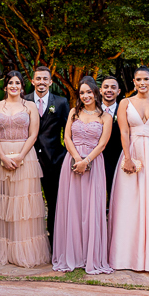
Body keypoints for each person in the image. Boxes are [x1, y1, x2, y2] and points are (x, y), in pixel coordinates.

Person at [108, 66, 149, 272]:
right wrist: (128, 158)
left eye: (146, 79)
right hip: (133, 154)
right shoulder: (125, 103)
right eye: (138, 79)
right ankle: (126, 257)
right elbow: (123, 132)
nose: (142, 82)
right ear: (134, 82)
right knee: (129, 203)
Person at [0, 70, 50, 267]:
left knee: (22, 203)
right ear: (5, 86)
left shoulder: (29, 106)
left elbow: (33, 134)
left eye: (17, 83)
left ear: (22, 86)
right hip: (0, 155)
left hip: (25, 156)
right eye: (10, 82)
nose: (14, 86)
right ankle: (2, 250)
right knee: (2, 203)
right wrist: (3, 156)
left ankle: (22, 251)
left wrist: (20, 156)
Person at [53, 76, 114, 274]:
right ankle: (71, 254)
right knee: (72, 207)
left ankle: (90, 256)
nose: (85, 96)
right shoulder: (74, 112)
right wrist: (77, 159)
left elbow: (103, 144)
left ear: (96, 93)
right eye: (82, 93)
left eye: (89, 92)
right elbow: (67, 138)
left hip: (94, 164)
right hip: (71, 162)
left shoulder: (105, 117)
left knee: (91, 208)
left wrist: (86, 161)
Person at [24, 65, 70, 244]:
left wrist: (64, 155)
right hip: (28, 160)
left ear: (50, 82)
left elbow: (68, 131)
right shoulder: (24, 100)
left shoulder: (61, 102)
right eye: (38, 78)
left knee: (54, 203)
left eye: (45, 79)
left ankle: (54, 242)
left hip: (53, 161)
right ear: (32, 81)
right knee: (28, 202)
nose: (41, 82)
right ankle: (30, 242)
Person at [99, 76, 123, 206]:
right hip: (95, 159)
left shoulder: (125, 111)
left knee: (116, 201)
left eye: (113, 87)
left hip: (117, 160)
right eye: (106, 87)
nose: (109, 90)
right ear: (100, 90)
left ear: (118, 91)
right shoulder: (93, 111)